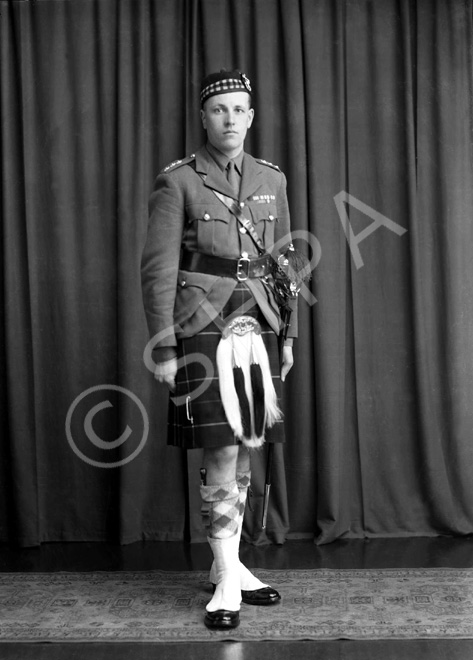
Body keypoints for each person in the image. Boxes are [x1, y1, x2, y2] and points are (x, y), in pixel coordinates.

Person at [141, 70, 299, 630]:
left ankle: (226, 564)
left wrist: (288, 335)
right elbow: (158, 269)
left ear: (251, 117)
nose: (230, 120)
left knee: (249, 437)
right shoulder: (179, 181)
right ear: (203, 118)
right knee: (220, 450)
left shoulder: (270, 178)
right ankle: (228, 578)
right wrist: (164, 345)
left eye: (239, 110)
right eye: (219, 111)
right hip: (202, 321)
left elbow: (282, 263)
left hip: (259, 320)